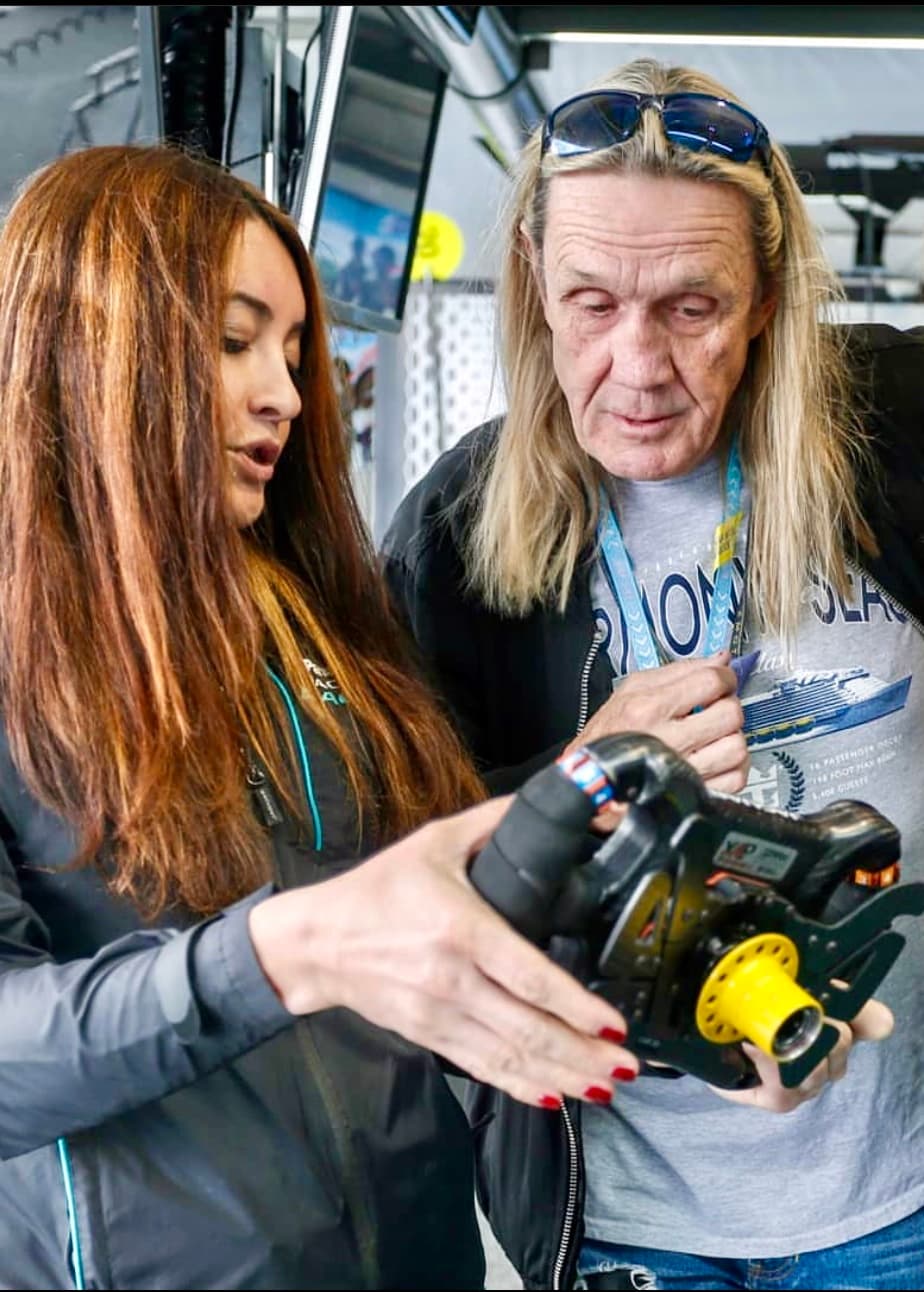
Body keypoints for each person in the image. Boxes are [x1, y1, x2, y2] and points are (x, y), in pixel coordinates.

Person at [0, 143, 641, 1290]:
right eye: (235, 339)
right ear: (94, 348)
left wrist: (585, 797)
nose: (286, 394)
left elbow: (416, 897)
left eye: (294, 350)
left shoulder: (309, 624)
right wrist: (281, 952)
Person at [381, 57, 923, 1292]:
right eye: (590, 303)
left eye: (691, 307)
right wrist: (582, 778)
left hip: (896, 1191)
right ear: (532, 284)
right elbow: (391, 859)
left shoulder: (893, 425)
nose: (636, 365)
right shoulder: (460, 529)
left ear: (769, 297)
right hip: (625, 1212)